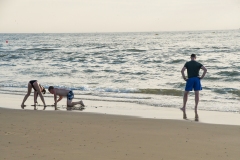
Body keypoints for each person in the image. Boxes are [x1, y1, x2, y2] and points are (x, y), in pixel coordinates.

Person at [180, 54, 207, 121]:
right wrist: (201, 77)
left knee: (186, 93)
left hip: (190, 79)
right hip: (197, 79)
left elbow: (182, 70)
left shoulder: (187, 63)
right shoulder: (198, 63)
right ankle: (195, 108)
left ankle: (184, 107)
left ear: (190, 57)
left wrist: (184, 78)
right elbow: (205, 70)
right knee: (197, 94)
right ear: (195, 57)